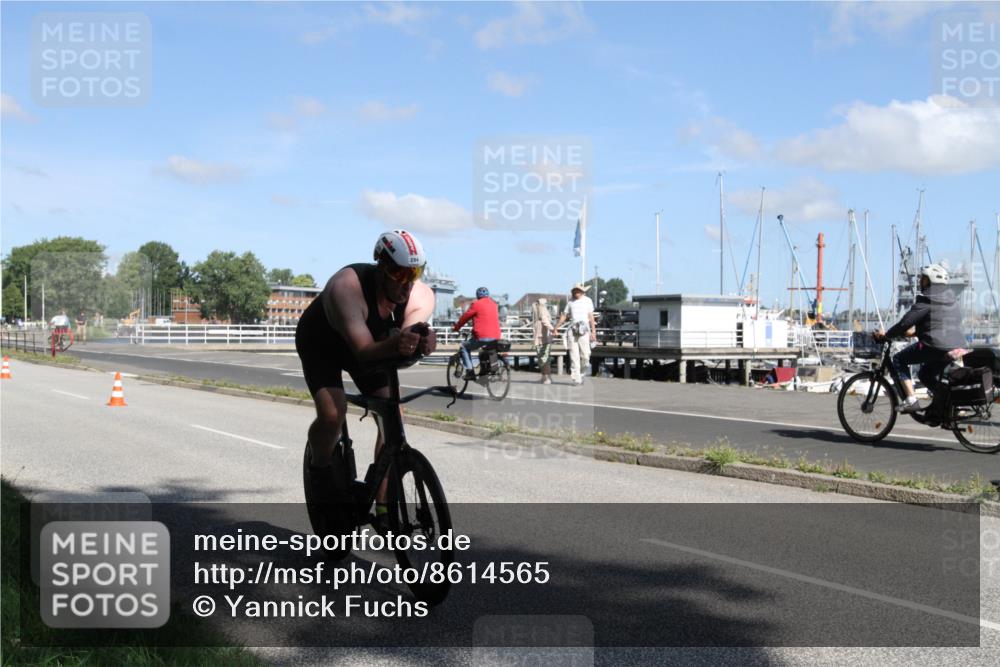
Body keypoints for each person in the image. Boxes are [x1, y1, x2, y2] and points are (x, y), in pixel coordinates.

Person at [295, 229, 436, 521]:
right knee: (333, 413)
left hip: (370, 344)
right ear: (381, 268)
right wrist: (397, 343)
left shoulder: (420, 294)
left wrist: (418, 339)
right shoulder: (346, 288)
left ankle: (384, 505)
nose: (406, 285)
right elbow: (363, 352)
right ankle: (320, 469)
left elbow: (409, 330)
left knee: (391, 414)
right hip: (323, 344)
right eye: (399, 274)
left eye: (414, 274)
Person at [873, 263, 965, 413]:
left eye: (923, 278)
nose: (920, 281)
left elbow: (904, 323)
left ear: (929, 281)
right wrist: (915, 333)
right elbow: (940, 324)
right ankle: (950, 404)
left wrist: (887, 335)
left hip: (934, 345)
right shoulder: (951, 301)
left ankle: (911, 400)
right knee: (925, 374)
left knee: (899, 359)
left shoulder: (926, 299)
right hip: (956, 344)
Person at [452, 287, 501, 381]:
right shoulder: (494, 304)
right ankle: (486, 373)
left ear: (478, 295)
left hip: (482, 336)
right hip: (496, 336)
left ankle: (470, 372)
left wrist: (456, 328)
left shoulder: (476, 304)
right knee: (485, 351)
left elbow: (465, 318)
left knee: (464, 347)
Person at [553, 283, 596, 385]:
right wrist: (556, 328)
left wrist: (593, 332)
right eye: (575, 290)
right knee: (574, 355)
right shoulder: (570, 302)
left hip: (584, 330)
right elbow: (564, 316)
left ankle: (581, 374)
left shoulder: (588, 301)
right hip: (572, 330)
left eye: (578, 290)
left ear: (582, 291)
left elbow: (591, 317)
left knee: (586, 355)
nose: (576, 292)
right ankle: (576, 378)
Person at [532, 297, 554, 384]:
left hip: (541, 339)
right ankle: (544, 377)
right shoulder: (541, 312)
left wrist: (552, 329)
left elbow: (545, 322)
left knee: (543, 359)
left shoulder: (540, 312)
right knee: (543, 358)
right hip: (542, 339)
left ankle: (546, 378)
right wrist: (553, 329)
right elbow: (546, 322)